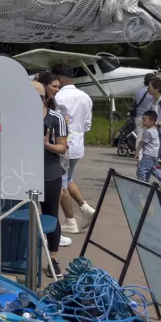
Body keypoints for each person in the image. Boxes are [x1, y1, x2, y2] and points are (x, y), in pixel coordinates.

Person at [51, 66, 97, 233]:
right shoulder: (85, 97)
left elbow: (53, 121)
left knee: (60, 183)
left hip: (61, 143)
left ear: (59, 79)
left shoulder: (58, 97)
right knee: (67, 179)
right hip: (78, 143)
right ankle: (85, 208)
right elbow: (87, 125)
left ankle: (70, 221)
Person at [35, 78, 68, 277]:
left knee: (51, 216)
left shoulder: (56, 118)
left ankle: (53, 258)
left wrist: (46, 145)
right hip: (22, 175)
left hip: (49, 174)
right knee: (23, 216)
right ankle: (24, 254)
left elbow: (62, 147)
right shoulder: (17, 117)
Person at [136, 110, 161, 190]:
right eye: (142, 120)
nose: (143, 122)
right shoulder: (155, 130)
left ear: (152, 122)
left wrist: (137, 152)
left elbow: (142, 143)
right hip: (154, 155)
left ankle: (141, 186)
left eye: (145, 120)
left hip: (148, 155)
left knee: (141, 170)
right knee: (153, 170)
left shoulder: (148, 132)